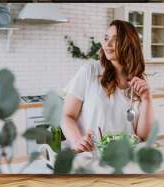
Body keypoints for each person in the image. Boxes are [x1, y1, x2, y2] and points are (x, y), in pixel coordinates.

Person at [61, 20, 154, 153]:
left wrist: (147, 99)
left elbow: (143, 137)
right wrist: (77, 140)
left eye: (115, 39)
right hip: (92, 159)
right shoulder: (90, 71)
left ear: (129, 44)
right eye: (106, 38)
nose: (107, 44)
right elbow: (67, 116)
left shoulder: (139, 82)